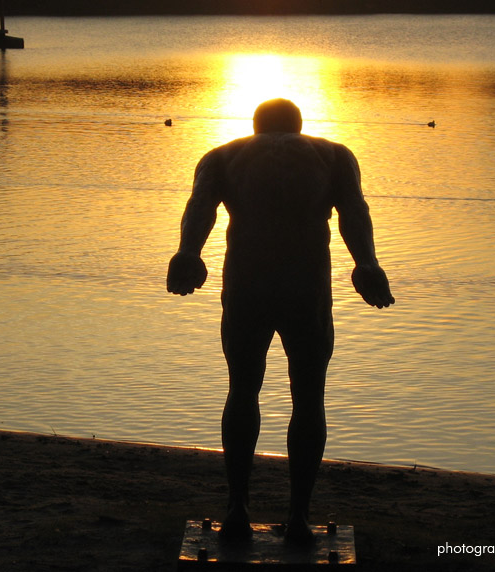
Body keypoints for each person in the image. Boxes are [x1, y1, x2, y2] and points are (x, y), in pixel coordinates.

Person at [167, 98, 394, 543]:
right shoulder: (332, 154)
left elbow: (200, 208)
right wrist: (366, 262)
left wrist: (188, 252)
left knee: (242, 388)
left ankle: (237, 508)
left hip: (248, 282)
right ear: (298, 125)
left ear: (256, 127)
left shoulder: (222, 156)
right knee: (309, 397)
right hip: (304, 284)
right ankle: (299, 518)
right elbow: (355, 213)